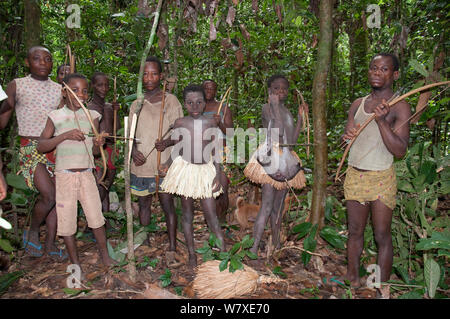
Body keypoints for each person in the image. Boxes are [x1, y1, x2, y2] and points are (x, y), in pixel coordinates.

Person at [342, 53, 411, 297]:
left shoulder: (400, 105)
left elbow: (400, 150)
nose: (377, 73)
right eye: (373, 68)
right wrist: (347, 134)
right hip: (355, 174)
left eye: (384, 69)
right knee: (355, 231)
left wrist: (382, 122)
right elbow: (349, 133)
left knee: (382, 233)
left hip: (381, 175)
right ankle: (352, 277)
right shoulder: (357, 104)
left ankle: (380, 284)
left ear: (395, 74)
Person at [37, 73, 116, 272]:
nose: (80, 94)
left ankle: (105, 257)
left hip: (87, 174)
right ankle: (75, 264)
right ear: (65, 92)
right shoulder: (55, 116)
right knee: (67, 221)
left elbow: (96, 151)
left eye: (84, 90)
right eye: (75, 90)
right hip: (64, 176)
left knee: (96, 218)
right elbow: (41, 146)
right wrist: (65, 135)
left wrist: (100, 143)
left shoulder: (92, 116)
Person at [0, 46, 64, 259]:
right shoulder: (17, 85)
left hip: (55, 147)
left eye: (48, 59)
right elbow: (4, 116)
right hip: (30, 147)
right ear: (27, 63)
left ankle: (51, 244)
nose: (43, 63)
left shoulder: (59, 89)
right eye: (37, 59)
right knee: (49, 195)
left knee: (57, 197)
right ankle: (33, 230)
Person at [159, 84, 226, 268]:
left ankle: (224, 256)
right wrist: (167, 164)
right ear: (185, 104)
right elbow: (178, 147)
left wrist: (218, 175)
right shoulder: (180, 123)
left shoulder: (212, 123)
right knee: (187, 214)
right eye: (190, 103)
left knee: (211, 216)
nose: (194, 106)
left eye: (198, 102)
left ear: (205, 103)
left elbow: (217, 152)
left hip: (205, 171)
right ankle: (192, 255)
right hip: (186, 170)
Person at [244, 74, 308, 257]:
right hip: (270, 159)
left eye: (284, 89)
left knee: (278, 208)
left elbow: (292, 143)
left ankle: (277, 245)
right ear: (269, 91)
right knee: (266, 205)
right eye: (276, 88)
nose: (281, 91)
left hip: (286, 159)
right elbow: (278, 130)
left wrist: (300, 119)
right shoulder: (267, 108)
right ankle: (254, 249)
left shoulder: (287, 112)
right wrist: (273, 105)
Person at [130, 56, 182, 252]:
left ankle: (172, 245)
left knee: (167, 204)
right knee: (144, 203)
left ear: (161, 76)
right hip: (142, 165)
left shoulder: (170, 101)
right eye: (145, 74)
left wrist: (167, 142)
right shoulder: (137, 103)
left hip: (164, 164)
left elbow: (181, 134)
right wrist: (134, 151)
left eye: (153, 74)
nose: (149, 78)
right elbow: (131, 136)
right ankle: (144, 241)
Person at [201, 79, 233, 223]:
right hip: (203, 154)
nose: (209, 91)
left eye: (212, 88)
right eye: (206, 88)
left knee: (223, 188)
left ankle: (222, 220)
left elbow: (231, 134)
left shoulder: (223, 108)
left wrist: (220, 123)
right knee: (207, 190)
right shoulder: (197, 107)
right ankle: (211, 223)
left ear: (216, 91)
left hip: (222, 152)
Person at [87, 72, 120, 213]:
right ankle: (92, 223)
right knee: (99, 187)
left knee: (106, 188)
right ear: (92, 86)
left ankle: (104, 222)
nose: (104, 88)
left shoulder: (109, 107)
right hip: (97, 152)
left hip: (111, 151)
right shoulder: (88, 108)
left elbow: (116, 132)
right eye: (100, 85)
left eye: (106, 85)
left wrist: (116, 112)